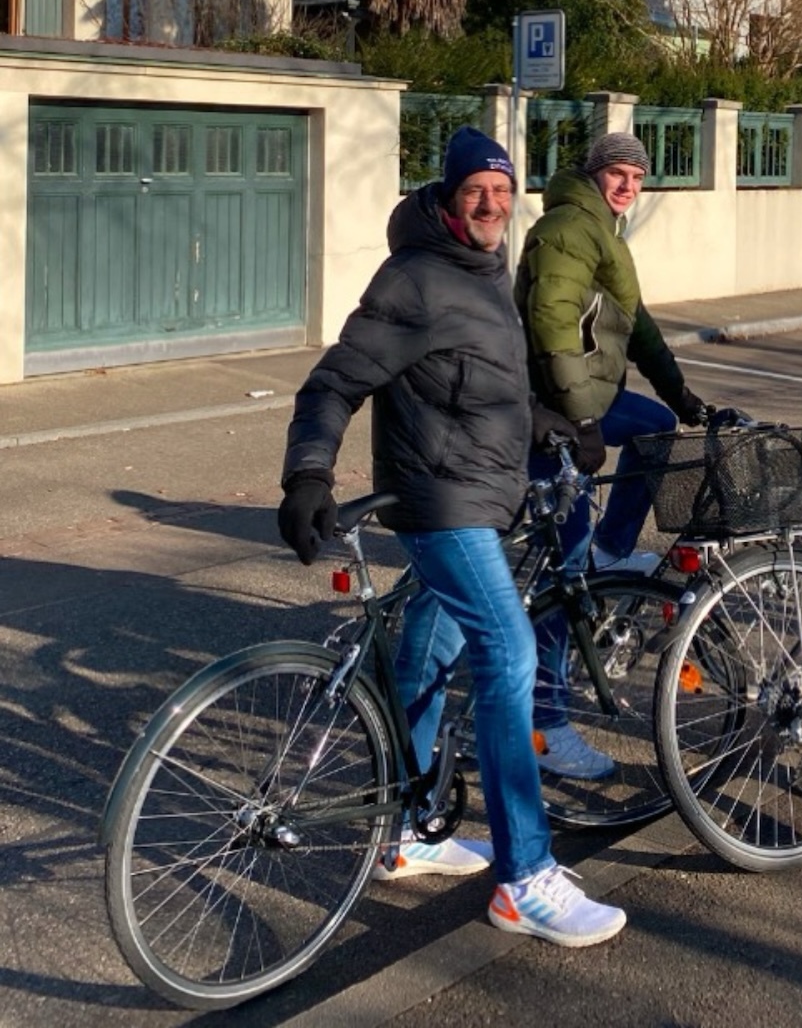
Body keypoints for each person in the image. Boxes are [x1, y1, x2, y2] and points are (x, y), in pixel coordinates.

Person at [276, 125, 627, 949]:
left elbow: (476, 387)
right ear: (448, 194)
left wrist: (549, 423)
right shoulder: (416, 279)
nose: (492, 205)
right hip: (444, 505)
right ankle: (525, 879)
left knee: (429, 655)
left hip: (482, 490)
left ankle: (403, 834)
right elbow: (332, 383)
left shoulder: (484, 272)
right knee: (509, 656)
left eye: (503, 192)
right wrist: (307, 477)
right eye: (477, 190)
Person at [515, 131, 710, 780]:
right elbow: (550, 322)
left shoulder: (605, 232)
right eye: (616, 173)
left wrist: (680, 393)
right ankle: (546, 726)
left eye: (636, 175)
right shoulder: (571, 227)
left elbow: (637, 323)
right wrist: (584, 418)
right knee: (561, 576)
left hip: (588, 402)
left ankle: (615, 548)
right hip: (551, 412)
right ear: (594, 175)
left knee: (655, 431)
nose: (627, 184)